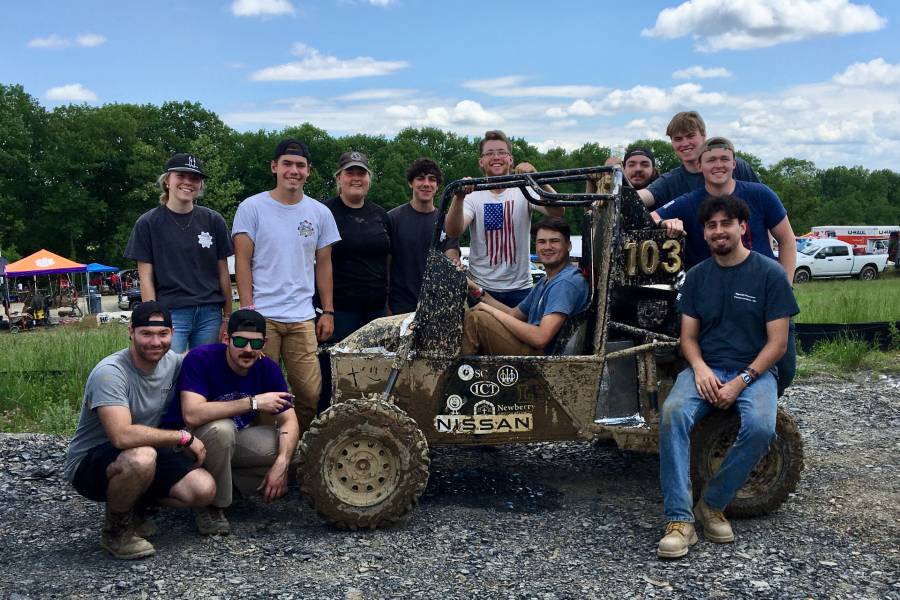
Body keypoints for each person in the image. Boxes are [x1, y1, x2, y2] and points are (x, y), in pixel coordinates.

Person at [656, 195, 798, 560]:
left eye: (726, 223)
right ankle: (679, 520)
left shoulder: (769, 274)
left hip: (755, 370)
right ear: (704, 233)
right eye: (711, 225)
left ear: (742, 227)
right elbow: (687, 338)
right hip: (706, 366)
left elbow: (778, 344)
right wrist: (700, 370)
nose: (719, 231)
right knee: (673, 414)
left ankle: (713, 504)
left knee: (762, 427)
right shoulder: (699, 277)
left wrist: (742, 381)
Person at [64, 302, 216, 560]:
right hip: (91, 462)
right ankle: (116, 531)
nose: (155, 342)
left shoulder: (173, 363)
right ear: (131, 332)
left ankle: (136, 505)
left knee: (203, 490)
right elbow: (121, 436)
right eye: (146, 334)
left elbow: (211, 366)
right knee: (141, 456)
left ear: (172, 333)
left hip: (148, 452)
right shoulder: (110, 373)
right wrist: (181, 437)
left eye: (163, 334)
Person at [652, 137, 798, 394]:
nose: (718, 165)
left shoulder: (760, 194)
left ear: (734, 163)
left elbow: (787, 240)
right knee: (715, 361)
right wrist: (666, 223)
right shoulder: (688, 201)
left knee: (783, 365)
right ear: (700, 166)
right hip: (717, 297)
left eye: (724, 159)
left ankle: (763, 410)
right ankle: (723, 414)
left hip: (764, 290)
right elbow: (650, 216)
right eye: (711, 160)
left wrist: (785, 285)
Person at [232, 139, 340, 435]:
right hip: (262, 317)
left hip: (302, 317)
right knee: (262, 391)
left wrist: (327, 310)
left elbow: (324, 264)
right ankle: (265, 452)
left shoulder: (319, 213)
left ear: (309, 171)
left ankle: (298, 450)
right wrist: (248, 312)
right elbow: (242, 261)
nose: (294, 171)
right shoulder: (252, 207)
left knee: (309, 392)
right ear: (274, 167)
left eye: (300, 166)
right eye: (287, 164)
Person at [164, 309, 300, 535]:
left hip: (229, 442)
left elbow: (289, 421)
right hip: (186, 442)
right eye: (240, 341)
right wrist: (253, 403)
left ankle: (227, 486)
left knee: (295, 452)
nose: (248, 350)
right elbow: (192, 414)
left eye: (255, 344)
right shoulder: (202, 358)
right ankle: (212, 506)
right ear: (226, 338)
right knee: (222, 429)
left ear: (264, 343)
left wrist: (282, 464)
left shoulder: (267, 368)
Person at [125, 153, 234, 353]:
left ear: (200, 185)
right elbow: (146, 277)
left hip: (210, 313)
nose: (188, 182)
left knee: (204, 372)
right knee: (165, 372)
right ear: (167, 180)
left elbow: (223, 273)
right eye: (181, 176)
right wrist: (153, 320)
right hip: (170, 312)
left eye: (194, 178)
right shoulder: (148, 223)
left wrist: (227, 316)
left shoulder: (213, 220)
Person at [445, 130, 564, 308]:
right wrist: (459, 197)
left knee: (521, 335)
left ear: (511, 159)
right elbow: (453, 231)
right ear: (481, 161)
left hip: (520, 288)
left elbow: (558, 211)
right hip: (482, 287)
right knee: (481, 335)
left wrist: (537, 178)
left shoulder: (524, 189)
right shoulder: (473, 194)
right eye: (490, 153)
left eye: (502, 152)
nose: (496, 157)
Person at [462, 217, 588, 355]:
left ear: (568, 245)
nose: (547, 247)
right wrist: (476, 289)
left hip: (542, 360)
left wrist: (488, 310)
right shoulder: (546, 281)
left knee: (476, 319)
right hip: (532, 350)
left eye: (554, 241)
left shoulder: (565, 283)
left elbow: (540, 338)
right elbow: (513, 314)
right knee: (477, 314)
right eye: (541, 242)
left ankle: (456, 373)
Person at [324, 151, 391, 340]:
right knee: (340, 368)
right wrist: (326, 312)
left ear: (369, 178)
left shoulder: (380, 215)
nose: (356, 178)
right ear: (339, 177)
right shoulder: (325, 213)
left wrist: (387, 302)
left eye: (361, 173)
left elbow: (388, 260)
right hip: (340, 311)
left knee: (376, 367)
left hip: (376, 311)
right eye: (349, 173)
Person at [637, 111, 759, 211]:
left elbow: (761, 203)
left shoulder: (736, 166)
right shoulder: (670, 181)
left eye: (690, 136)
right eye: (678, 139)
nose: (685, 143)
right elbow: (642, 197)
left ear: (703, 135)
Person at [387, 158, 461, 314]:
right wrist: (385, 307)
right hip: (399, 307)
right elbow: (385, 266)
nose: (426, 184)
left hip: (436, 307)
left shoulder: (447, 222)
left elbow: (451, 256)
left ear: (437, 185)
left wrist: (454, 265)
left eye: (432, 179)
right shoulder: (392, 219)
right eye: (420, 178)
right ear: (410, 183)